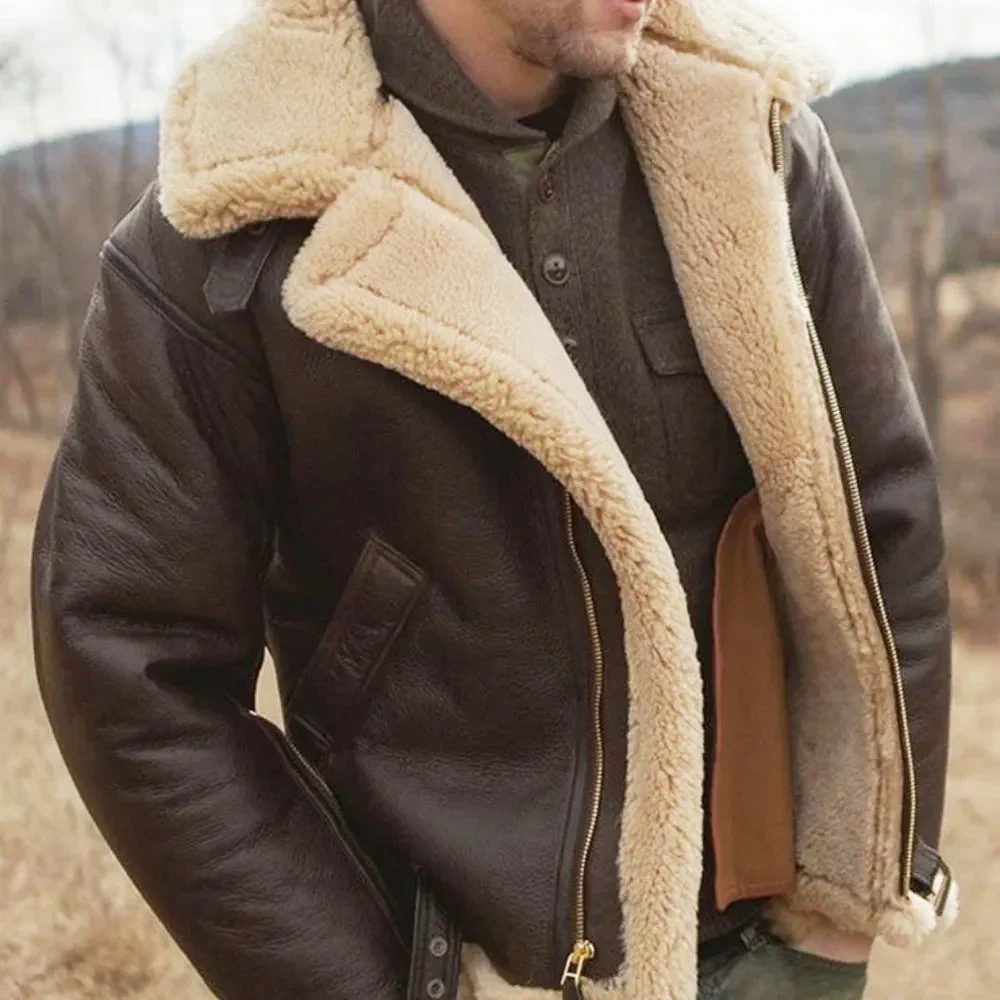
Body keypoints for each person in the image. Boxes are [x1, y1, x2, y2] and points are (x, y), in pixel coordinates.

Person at [32, 1, 957, 998]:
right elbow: (130, 659)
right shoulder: (227, 223)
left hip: (762, 953)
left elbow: (877, 520)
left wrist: (835, 928)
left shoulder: (751, 143)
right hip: (442, 969)